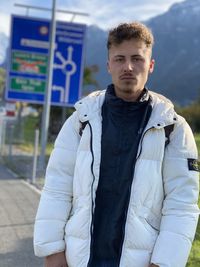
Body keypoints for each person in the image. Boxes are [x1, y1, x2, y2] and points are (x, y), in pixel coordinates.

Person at [34, 22, 200, 267]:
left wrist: (164, 262)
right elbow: (57, 187)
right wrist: (52, 249)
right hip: (80, 257)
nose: (128, 67)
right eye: (120, 59)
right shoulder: (81, 120)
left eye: (137, 58)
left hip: (141, 260)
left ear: (151, 65)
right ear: (109, 65)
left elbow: (181, 204)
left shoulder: (172, 127)